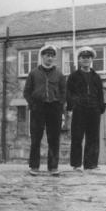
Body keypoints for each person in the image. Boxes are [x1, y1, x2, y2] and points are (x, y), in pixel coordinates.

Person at [23, 45, 66, 176]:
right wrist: (33, 104)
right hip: (38, 108)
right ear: (42, 56)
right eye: (47, 55)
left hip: (54, 109)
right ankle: (34, 166)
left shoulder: (59, 74)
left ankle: (53, 167)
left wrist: (60, 105)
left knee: (53, 139)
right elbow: (26, 92)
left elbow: (64, 92)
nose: (50, 58)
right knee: (36, 138)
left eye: (52, 56)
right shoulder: (33, 73)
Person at [66, 46, 105, 171]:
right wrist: (72, 106)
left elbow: (100, 93)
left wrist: (100, 107)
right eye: (83, 57)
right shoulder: (73, 76)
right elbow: (69, 93)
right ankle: (76, 164)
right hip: (79, 110)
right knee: (77, 137)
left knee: (93, 137)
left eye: (88, 58)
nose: (86, 60)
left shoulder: (96, 77)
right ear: (79, 60)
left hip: (94, 110)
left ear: (91, 60)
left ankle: (91, 164)